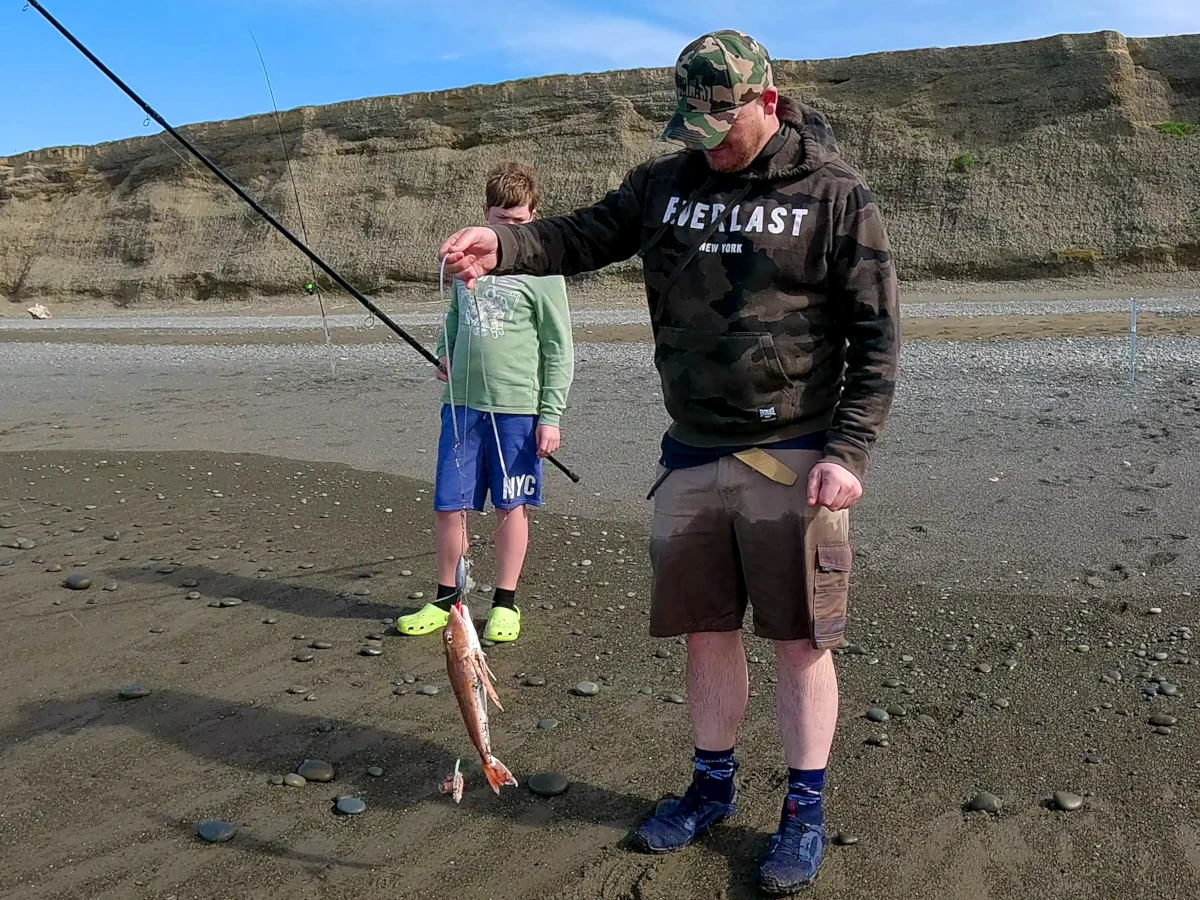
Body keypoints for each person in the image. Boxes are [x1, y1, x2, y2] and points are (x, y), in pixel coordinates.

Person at [438, 30, 898, 894]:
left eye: (721, 123)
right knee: (705, 632)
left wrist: (850, 449)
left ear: (768, 99)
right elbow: (583, 235)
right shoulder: (667, 183)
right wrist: (502, 248)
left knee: (800, 640)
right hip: (690, 451)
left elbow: (878, 336)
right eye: (694, 126)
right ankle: (711, 787)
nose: (709, 142)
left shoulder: (835, 193)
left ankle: (803, 808)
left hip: (797, 451)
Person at [397, 161, 574, 643]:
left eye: (518, 222)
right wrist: (443, 353)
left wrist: (550, 417)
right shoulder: (465, 266)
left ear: (534, 216)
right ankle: (447, 598)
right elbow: (454, 319)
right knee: (448, 506)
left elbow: (559, 347)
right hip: (462, 406)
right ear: (485, 215)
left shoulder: (544, 271)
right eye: (500, 219)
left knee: (511, 506)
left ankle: (504, 603)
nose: (508, 229)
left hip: (519, 409)